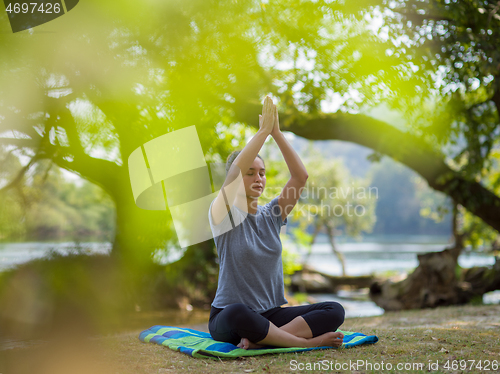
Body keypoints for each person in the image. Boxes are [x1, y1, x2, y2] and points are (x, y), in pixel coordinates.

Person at [207, 96, 345, 350]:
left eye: (262, 172)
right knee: (239, 312)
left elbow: (300, 177)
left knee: (334, 310)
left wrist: (277, 134)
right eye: (251, 173)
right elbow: (235, 173)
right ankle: (306, 343)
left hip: (270, 315)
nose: (258, 178)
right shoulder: (222, 214)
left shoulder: (272, 214)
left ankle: (263, 341)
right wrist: (261, 133)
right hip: (229, 316)